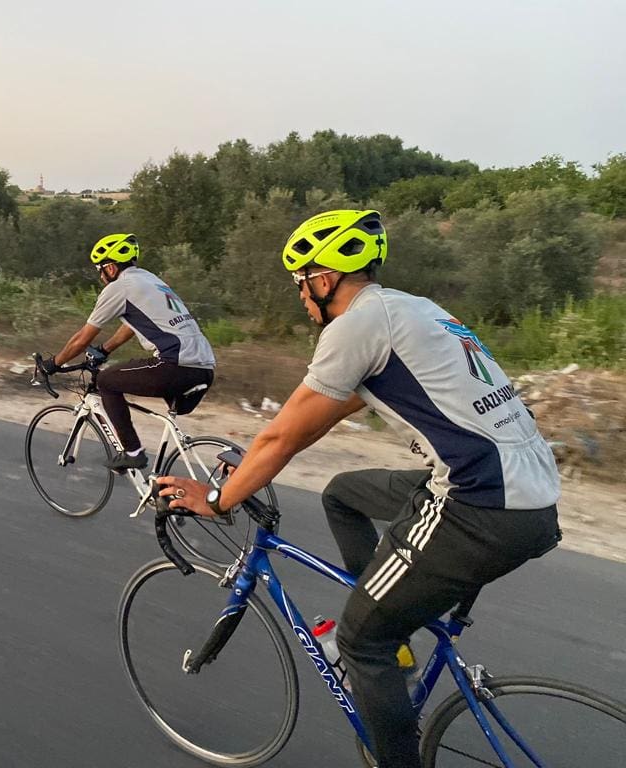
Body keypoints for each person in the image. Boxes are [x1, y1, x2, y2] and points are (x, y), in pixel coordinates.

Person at [158, 210, 561, 767]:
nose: (301, 297)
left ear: (323, 280)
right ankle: (391, 632)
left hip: (480, 503)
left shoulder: (355, 325)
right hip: (528, 489)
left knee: (357, 640)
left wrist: (218, 498)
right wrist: (249, 462)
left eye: (301, 285)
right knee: (344, 493)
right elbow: (313, 418)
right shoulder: (413, 309)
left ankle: (380, 653)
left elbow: (283, 435)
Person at [41, 233, 216, 471]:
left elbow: (82, 338)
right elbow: (131, 325)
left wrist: (53, 363)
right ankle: (160, 491)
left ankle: (133, 452)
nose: (101, 276)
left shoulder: (120, 287)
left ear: (110, 268)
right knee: (167, 410)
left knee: (107, 381)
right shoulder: (150, 280)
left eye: (100, 270)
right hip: (204, 368)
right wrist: (104, 349)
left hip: (175, 364)